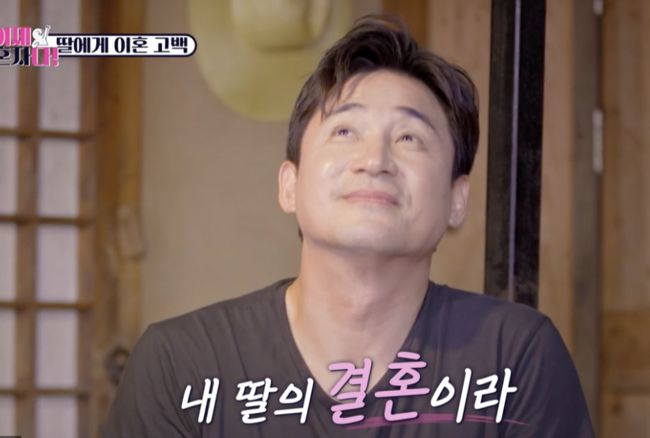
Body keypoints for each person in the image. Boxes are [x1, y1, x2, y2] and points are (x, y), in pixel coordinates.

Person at [103, 15, 594, 437]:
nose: (373, 160)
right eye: (344, 130)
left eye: (409, 137)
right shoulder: (180, 367)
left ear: (456, 199)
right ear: (289, 185)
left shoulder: (515, 359)